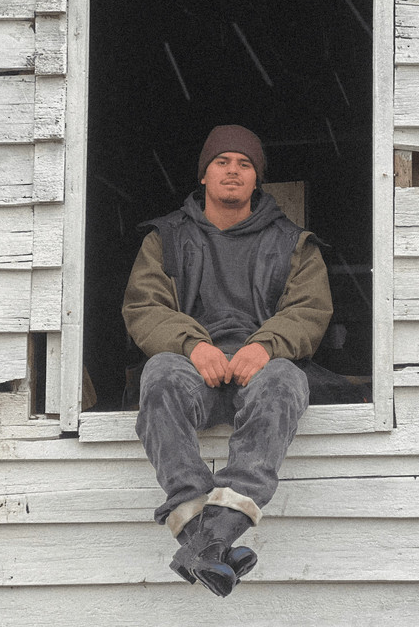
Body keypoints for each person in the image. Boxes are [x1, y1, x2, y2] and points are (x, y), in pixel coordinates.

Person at [122, 125, 333, 597]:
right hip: (192, 369)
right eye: (222, 162)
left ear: (257, 178)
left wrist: (266, 345)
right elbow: (144, 307)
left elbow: (310, 310)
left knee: (285, 379)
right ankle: (210, 536)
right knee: (159, 374)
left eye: (244, 164)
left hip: (259, 370)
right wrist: (194, 346)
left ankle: (208, 540)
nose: (233, 171)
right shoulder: (166, 238)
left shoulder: (293, 243)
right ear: (204, 175)